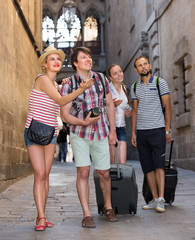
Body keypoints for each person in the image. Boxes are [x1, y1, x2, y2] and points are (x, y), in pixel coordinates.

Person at [24, 45, 95, 231]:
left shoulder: (56, 85)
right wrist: (82, 88)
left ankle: (43, 214)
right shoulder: (42, 80)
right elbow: (62, 101)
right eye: (51, 59)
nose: (56, 62)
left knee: (46, 175)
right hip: (33, 131)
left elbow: (60, 103)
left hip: (50, 132)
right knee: (39, 174)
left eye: (58, 59)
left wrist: (65, 86)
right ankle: (40, 217)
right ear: (45, 64)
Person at [60, 46, 118, 228]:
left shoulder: (101, 79)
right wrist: (83, 122)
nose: (88, 60)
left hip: (101, 132)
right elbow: (64, 114)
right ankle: (86, 214)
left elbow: (109, 105)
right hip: (80, 134)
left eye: (89, 57)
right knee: (83, 172)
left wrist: (113, 131)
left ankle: (108, 207)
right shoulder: (69, 84)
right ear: (75, 63)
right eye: (83, 58)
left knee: (105, 173)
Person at [131, 55, 172, 213]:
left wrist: (167, 130)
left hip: (157, 130)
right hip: (142, 132)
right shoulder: (135, 86)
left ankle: (162, 199)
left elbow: (167, 107)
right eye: (140, 65)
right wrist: (134, 133)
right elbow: (134, 111)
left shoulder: (159, 82)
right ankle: (154, 199)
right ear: (136, 69)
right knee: (147, 167)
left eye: (145, 64)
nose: (143, 67)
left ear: (149, 65)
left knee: (159, 166)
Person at [108, 64, 132, 164]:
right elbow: (100, 108)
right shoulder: (107, 89)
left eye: (120, 71)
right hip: (109, 129)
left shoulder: (125, 89)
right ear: (110, 77)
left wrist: (128, 112)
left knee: (122, 163)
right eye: (115, 73)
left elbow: (126, 108)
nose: (119, 75)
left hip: (121, 128)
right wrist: (111, 105)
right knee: (112, 162)